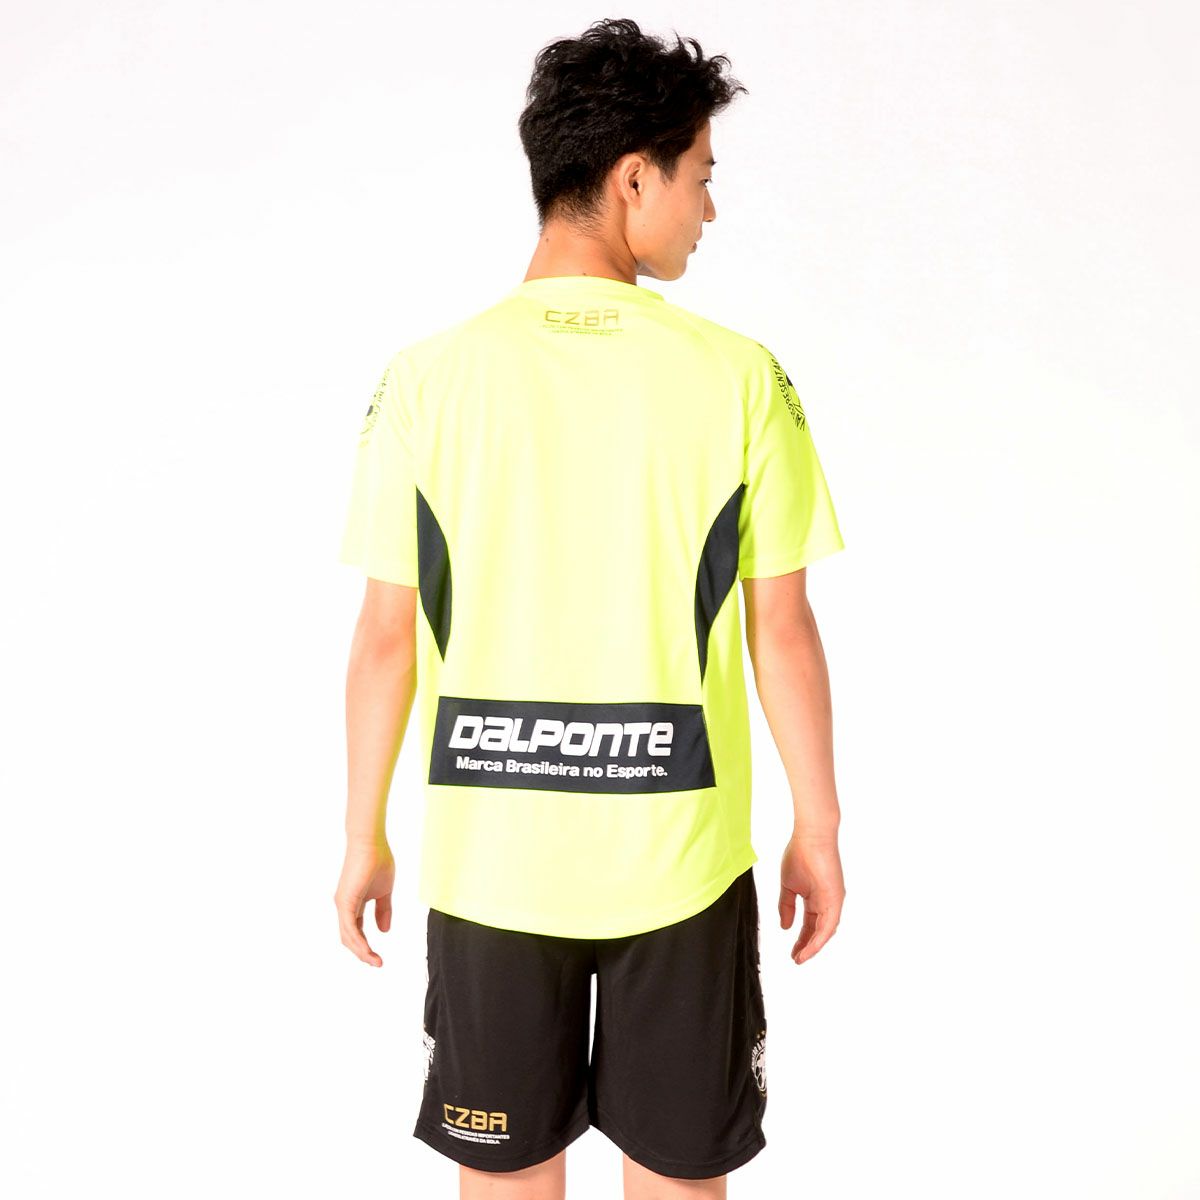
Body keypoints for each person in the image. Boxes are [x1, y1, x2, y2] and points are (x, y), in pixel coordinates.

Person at [333, 17, 847, 1200]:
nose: (709, 208)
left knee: (505, 1177)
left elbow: (383, 637)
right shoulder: (739, 376)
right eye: (701, 175)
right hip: (680, 859)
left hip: (492, 861)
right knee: (678, 1178)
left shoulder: (425, 381)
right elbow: (780, 628)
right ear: (632, 179)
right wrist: (816, 827)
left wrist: (364, 834)